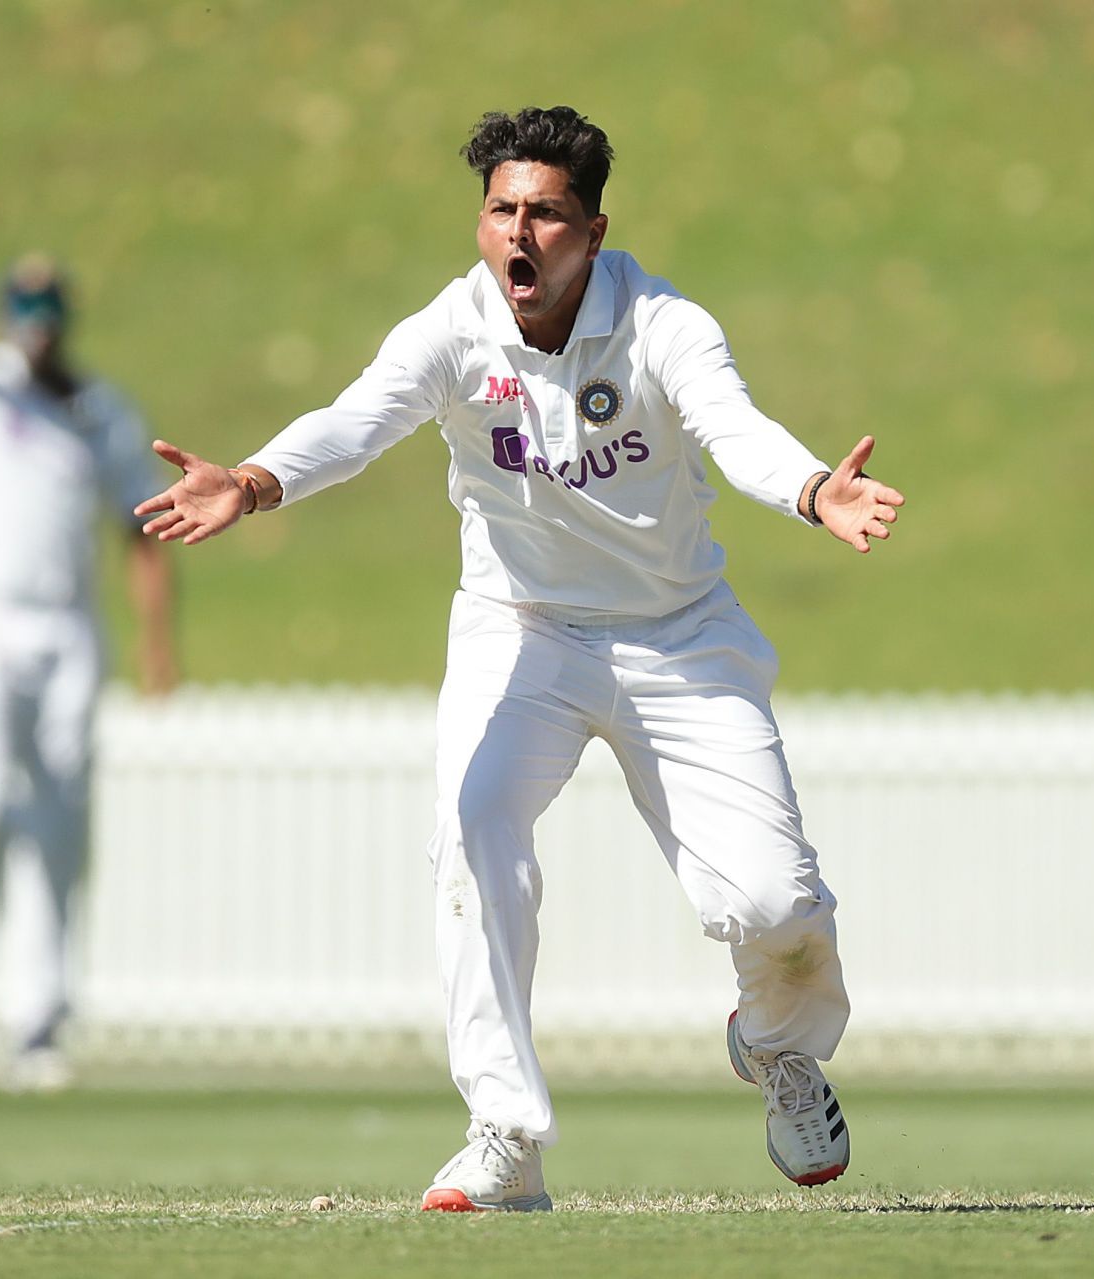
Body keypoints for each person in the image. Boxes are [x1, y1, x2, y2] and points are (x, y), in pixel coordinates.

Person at [138, 106, 904, 1209]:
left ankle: (778, 1043)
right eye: (501, 210)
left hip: (677, 632)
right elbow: (358, 420)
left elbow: (732, 427)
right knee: (472, 828)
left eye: (545, 214)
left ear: (593, 232)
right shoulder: (453, 327)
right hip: (523, 626)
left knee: (776, 905)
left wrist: (812, 488)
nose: (519, 236)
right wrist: (254, 481)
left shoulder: (663, 325)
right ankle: (505, 1134)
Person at [0, 101, 179, 1092]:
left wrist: (156, 644)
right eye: (28, 313)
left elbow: (142, 523)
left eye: (52, 316)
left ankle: (43, 1019)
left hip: (65, 624)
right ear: (13, 316)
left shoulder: (95, 408)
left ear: (67, 321)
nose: (39, 331)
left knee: (60, 821)